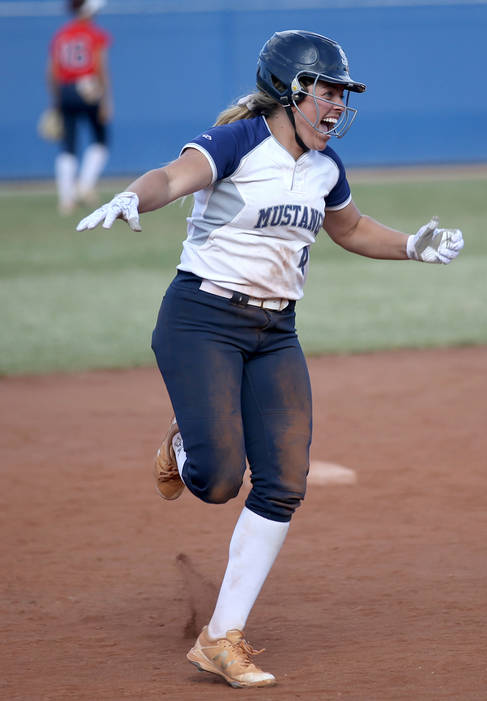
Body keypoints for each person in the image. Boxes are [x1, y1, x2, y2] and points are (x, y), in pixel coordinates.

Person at [76, 29, 464, 687]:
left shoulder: (324, 168)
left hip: (274, 333)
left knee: (283, 480)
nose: (337, 105)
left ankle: (221, 638)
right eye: (327, 91)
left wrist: (412, 247)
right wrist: (130, 197)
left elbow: (351, 228)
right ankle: (182, 447)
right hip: (200, 321)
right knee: (220, 478)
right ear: (289, 90)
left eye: (343, 94)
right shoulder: (238, 142)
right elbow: (173, 176)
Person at [47, 0, 112, 215]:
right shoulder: (94, 34)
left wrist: (56, 101)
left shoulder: (61, 35)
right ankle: (84, 185)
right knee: (100, 139)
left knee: (68, 144)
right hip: (88, 87)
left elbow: (52, 71)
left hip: (65, 90)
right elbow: (100, 67)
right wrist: (105, 100)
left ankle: (66, 199)